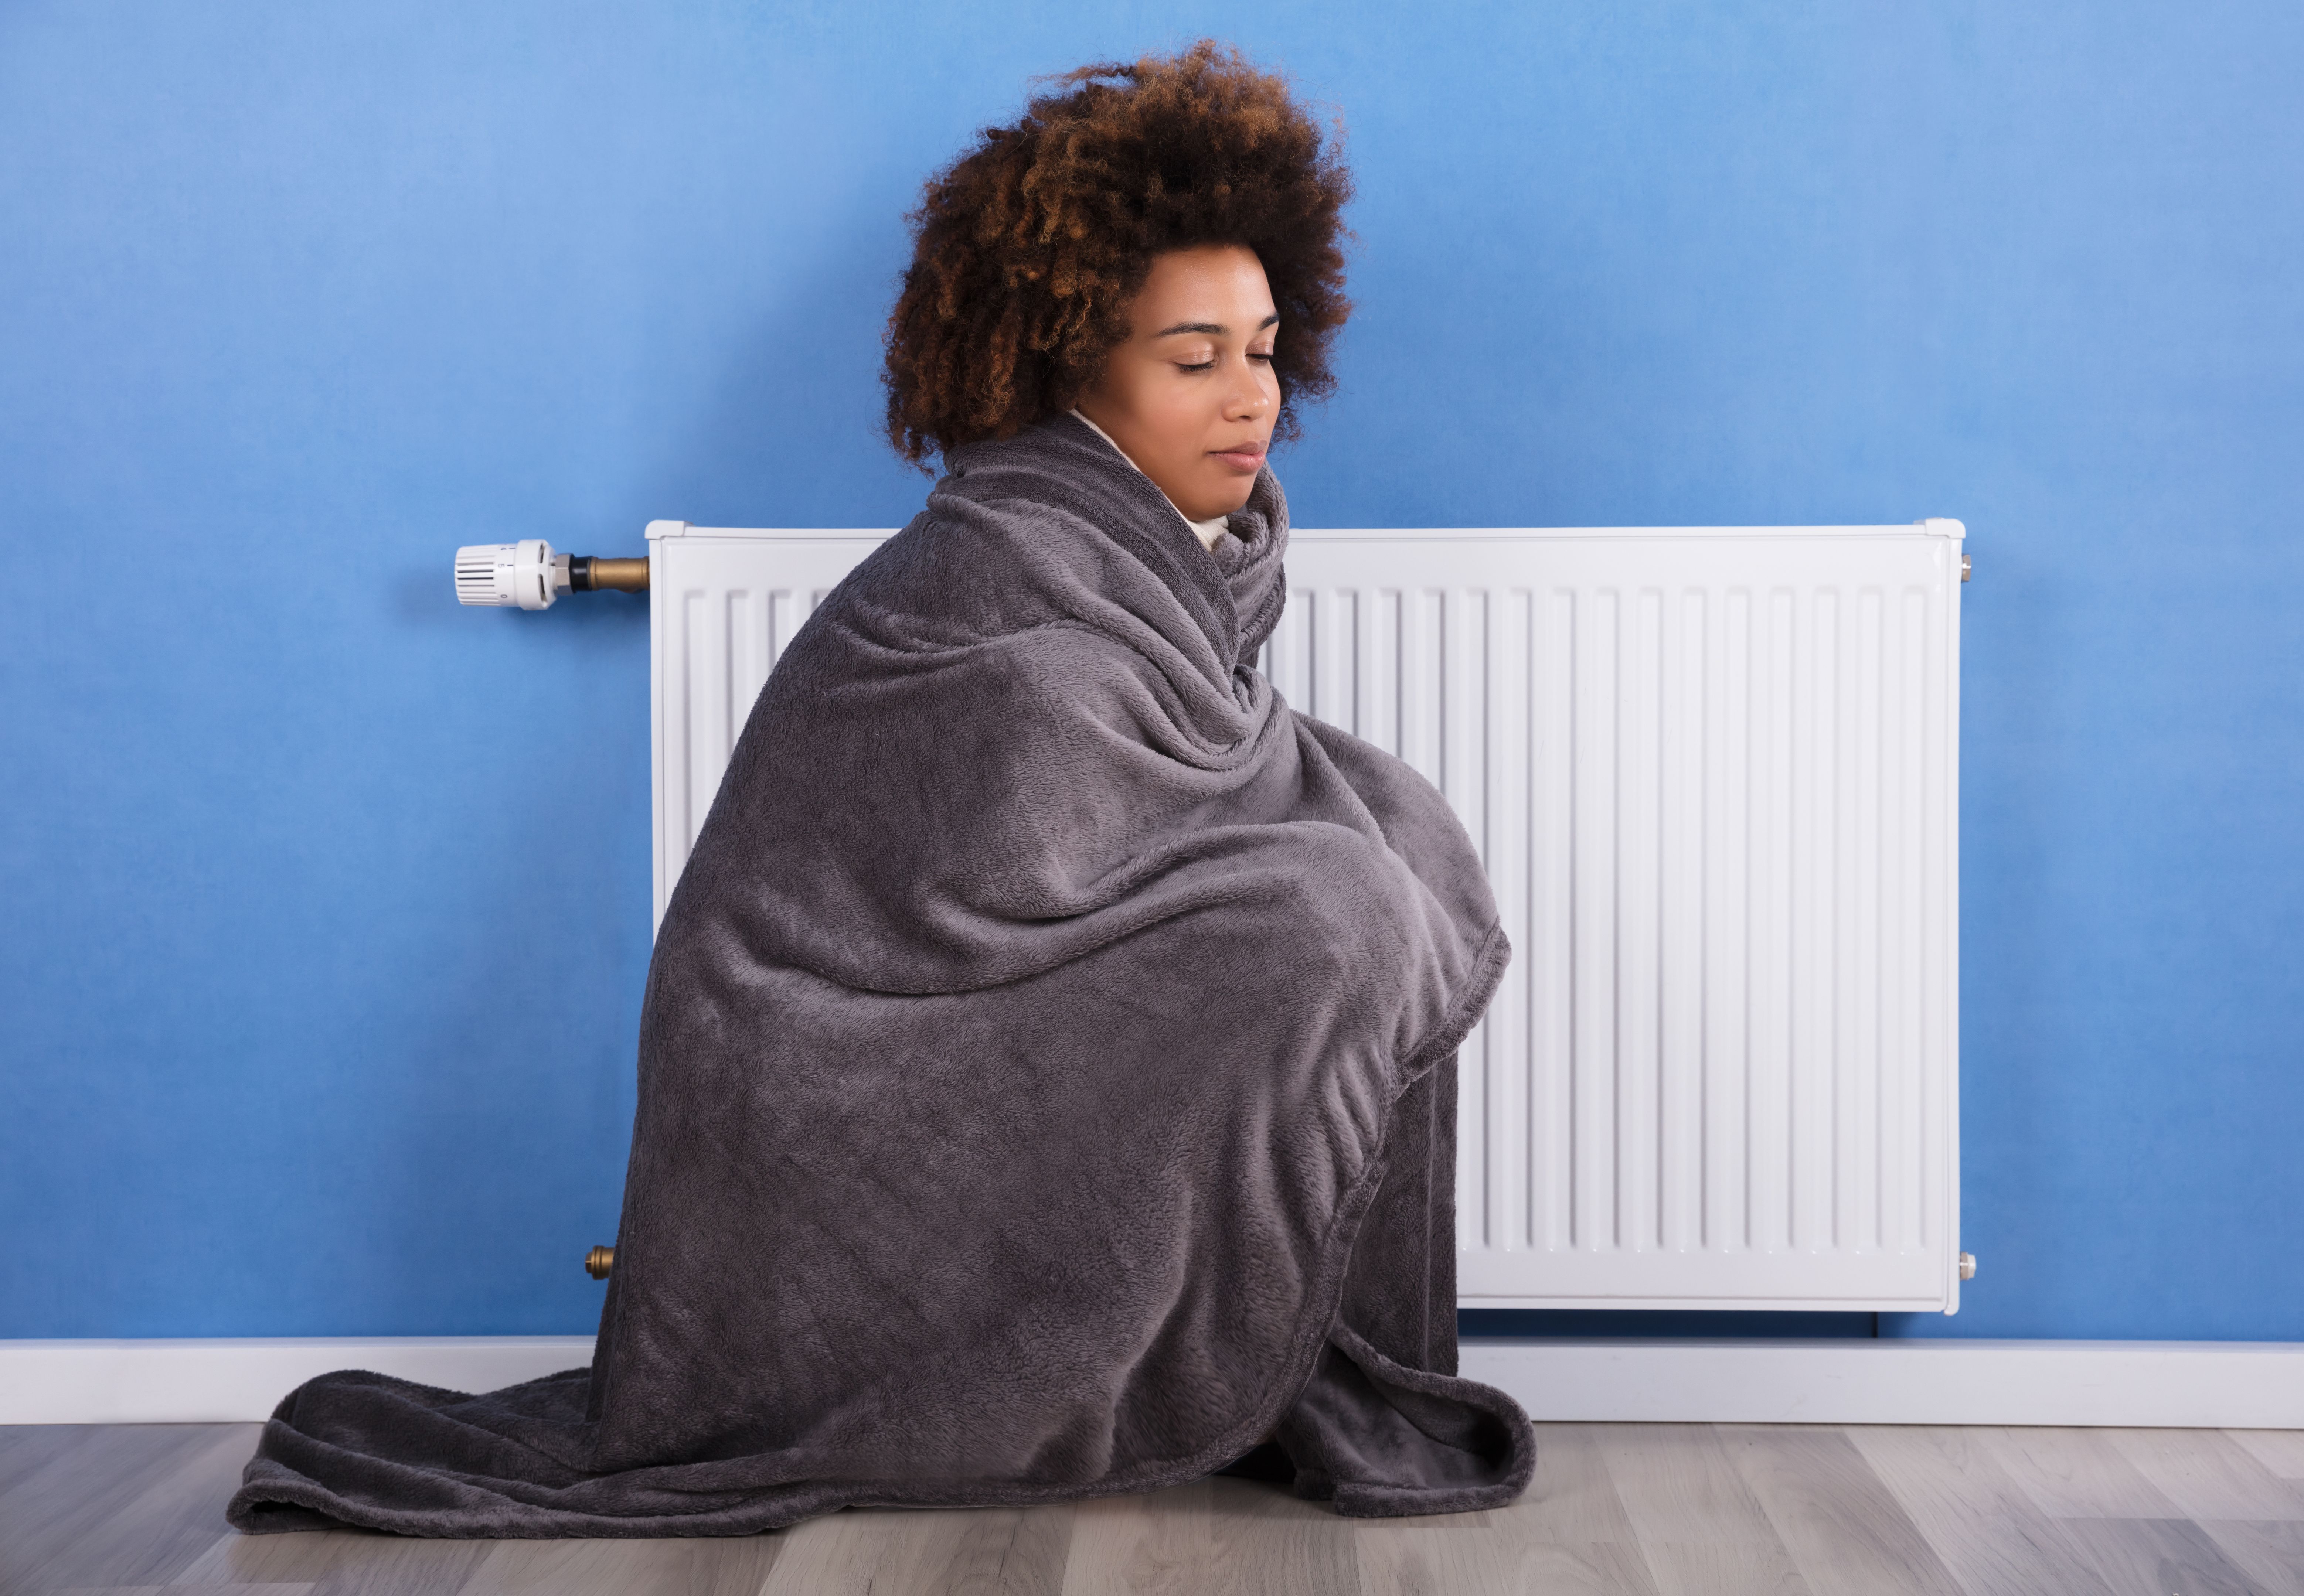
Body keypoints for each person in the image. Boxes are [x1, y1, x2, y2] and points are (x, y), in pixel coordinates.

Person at [225, 40, 1532, 1538]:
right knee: (1334, 903)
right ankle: (1079, 1367)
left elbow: (1191, 815)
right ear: (1071, 369)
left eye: (1265, 346)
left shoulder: (1184, 558)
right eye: (1195, 358)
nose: (1255, 397)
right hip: (824, 1075)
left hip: (967, 1022)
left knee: (1393, 845)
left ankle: (1279, 1354)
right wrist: (1316, 888)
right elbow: (1019, 903)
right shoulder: (987, 580)